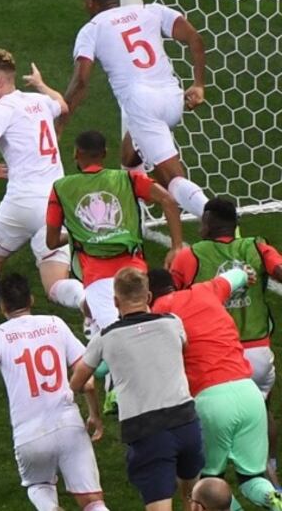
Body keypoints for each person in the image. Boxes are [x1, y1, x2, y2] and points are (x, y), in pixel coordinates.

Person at [0, 50, 85, 348]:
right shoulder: (37, 101)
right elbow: (61, 104)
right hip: (58, 201)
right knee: (56, 283)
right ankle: (93, 305)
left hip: (25, 201)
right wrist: (40, 83)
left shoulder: (1, 109)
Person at [62, 0, 210, 217]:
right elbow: (195, 37)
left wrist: (61, 119)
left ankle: (220, 224)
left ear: (89, 1)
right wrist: (199, 84)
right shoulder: (151, 10)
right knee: (129, 153)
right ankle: (137, 201)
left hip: (143, 104)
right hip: (173, 97)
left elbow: (80, 81)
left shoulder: (91, 30)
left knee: (174, 179)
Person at [0, 273, 107, 511]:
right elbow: (86, 380)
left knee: (38, 485)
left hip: (29, 433)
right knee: (93, 501)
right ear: (31, 299)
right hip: (69, 424)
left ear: (2, 306)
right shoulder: (55, 324)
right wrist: (94, 415)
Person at [146, 268, 282, 509]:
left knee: (208, 485)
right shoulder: (205, 290)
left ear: (147, 296)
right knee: (252, 478)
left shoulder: (156, 315)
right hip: (248, 393)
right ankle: (274, 499)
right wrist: (247, 274)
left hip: (210, 399)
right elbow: (238, 274)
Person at [69, 268, 203, 510]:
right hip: (186, 422)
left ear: (115, 301)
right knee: (194, 500)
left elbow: (77, 382)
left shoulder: (105, 338)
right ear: (149, 297)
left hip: (147, 431)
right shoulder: (173, 323)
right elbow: (181, 347)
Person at [169, 197, 282, 482]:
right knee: (261, 408)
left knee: (206, 421)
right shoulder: (256, 246)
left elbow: (169, 298)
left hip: (214, 356)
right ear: (236, 224)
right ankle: (270, 472)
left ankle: (211, 485)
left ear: (207, 223)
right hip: (258, 353)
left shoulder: (190, 256)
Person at [45, 130, 184, 336]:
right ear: (105, 153)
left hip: (96, 276)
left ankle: (93, 328)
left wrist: (78, 234)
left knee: (116, 339)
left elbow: (52, 241)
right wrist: (176, 246)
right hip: (135, 272)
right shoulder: (128, 178)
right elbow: (168, 200)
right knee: (143, 333)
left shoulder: (61, 188)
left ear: (76, 153)